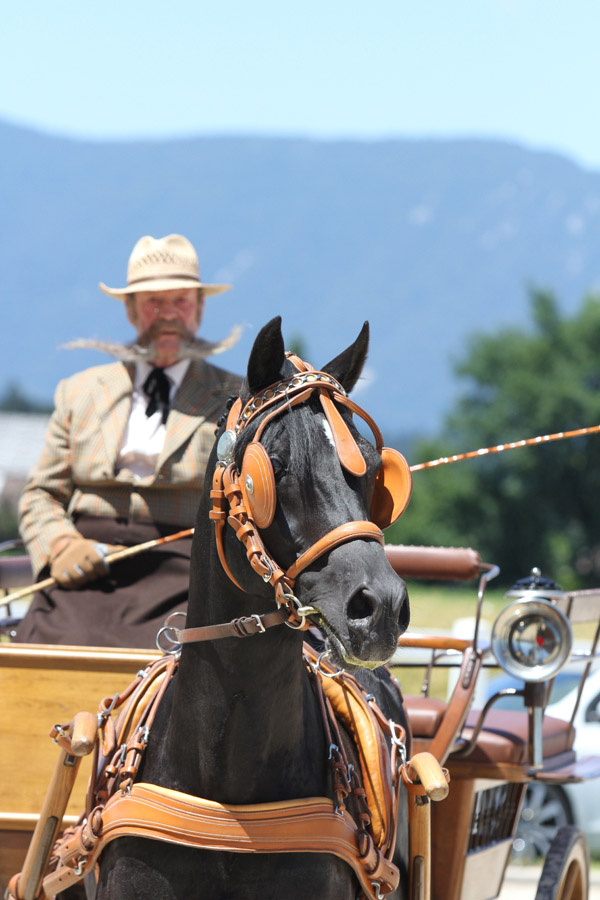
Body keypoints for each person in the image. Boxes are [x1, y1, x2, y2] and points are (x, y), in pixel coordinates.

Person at [15, 234, 241, 649]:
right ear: (131, 310)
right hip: (83, 569)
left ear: (200, 308)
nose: (168, 315)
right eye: (154, 303)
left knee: (178, 656)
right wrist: (60, 546)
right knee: (45, 650)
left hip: (187, 571)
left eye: (181, 302)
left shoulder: (238, 400)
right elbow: (40, 495)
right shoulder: (79, 393)